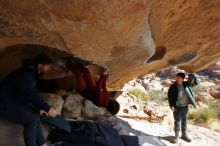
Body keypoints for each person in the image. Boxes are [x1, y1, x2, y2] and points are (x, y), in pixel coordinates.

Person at [0, 53, 58, 146]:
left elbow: (27, 94)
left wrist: (39, 108)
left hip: (12, 102)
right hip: (4, 104)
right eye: (48, 67)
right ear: (40, 65)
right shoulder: (27, 74)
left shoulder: (30, 73)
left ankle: (43, 144)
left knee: (35, 115)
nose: (49, 69)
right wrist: (47, 108)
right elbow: (30, 93)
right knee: (31, 119)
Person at [168, 72, 196, 143]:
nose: (177, 78)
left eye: (179, 77)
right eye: (176, 77)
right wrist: (172, 106)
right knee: (177, 122)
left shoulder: (187, 84)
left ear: (182, 79)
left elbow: (195, 82)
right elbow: (170, 97)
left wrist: (192, 75)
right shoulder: (173, 86)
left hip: (185, 107)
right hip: (177, 107)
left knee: (184, 121)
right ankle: (176, 136)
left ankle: (184, 135)